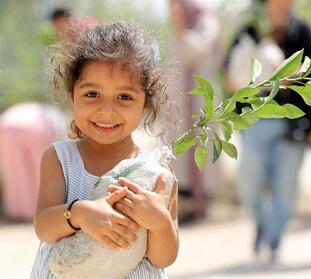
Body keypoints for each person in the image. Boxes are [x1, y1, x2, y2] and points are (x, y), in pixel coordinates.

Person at [30, 21, 179, 278]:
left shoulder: (156, 175)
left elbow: (162, 257)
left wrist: (160, 222)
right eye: (92, 94)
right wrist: (78, 213)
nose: (107, 110)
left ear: (145, 104)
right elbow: (44, 228)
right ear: (72, 95)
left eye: (124, 97)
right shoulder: (60, 159)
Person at [224, 0, 311, 261]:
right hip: (256, 120)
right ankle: (262, 223)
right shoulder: (250, 30)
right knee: (250, 182)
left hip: (293, 124)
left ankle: (275, 237)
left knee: (286, 185)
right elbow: (229, 71)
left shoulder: (302, 32)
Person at [168, 0, 221, 220]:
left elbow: (194, 52)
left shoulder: (207, 24)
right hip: (181, 103)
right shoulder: (182, 29)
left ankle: (200, 204)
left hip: (202, 99)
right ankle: (187, 205)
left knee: (202, 148)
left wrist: (181, 28)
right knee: (180, 153)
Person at [0, 103, 66, 221]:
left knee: (14, 173)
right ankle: (39, 211)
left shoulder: (24, 109)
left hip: (5, 128)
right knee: (41, 171)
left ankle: (17, 212)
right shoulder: (54, 115)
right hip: (39, 129)